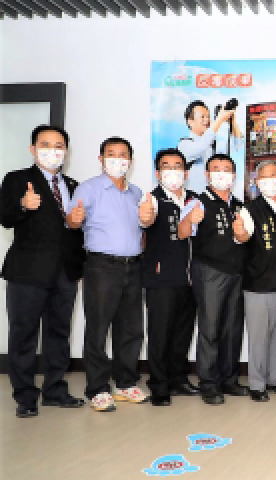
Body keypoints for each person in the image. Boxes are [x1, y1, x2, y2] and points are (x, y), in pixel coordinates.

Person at [1, 125, 86, 418]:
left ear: (66, 151)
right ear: (33, 149)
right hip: (27, 272)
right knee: (23, 334)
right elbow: (5, 217)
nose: (53, 151)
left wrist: (77, 235)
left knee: (59, 333)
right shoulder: (17, 179)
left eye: (59, 146)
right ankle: (25, 396)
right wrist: (23, 205)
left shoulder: (73, 185)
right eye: (46, 145)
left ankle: (55, 390)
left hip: (64, 272)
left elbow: (75, 232)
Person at [66, 136, 154, 412]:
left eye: (123, 154)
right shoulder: (89, 188)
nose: (117, 159)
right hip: (102, 266)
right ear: (101, 159)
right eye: (111, 154)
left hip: (133, 265)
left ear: (130, 160)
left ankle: (126, 383)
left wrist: (148, 219)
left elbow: (143, 227)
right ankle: (97, 388)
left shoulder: (137, 193)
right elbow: (72, 220)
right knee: (98, 327)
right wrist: (74, 219)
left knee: (131, 328)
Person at [178, 153, 248, 406]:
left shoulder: (239, 205)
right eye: (216, 169)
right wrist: (190, 219)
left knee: (232, 328)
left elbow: (244, 238)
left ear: (234, 175)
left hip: (236, 272)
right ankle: (208, 383)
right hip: (209, 271)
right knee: (210, 329)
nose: (221, 174)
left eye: (226, 169)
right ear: (207, 175)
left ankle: (229, 380)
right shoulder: (197, 202)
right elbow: (182, 232)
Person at [235, 160, 276, 403]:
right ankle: (257, 384)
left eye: (274, 176)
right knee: (259, 338)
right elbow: (242, 236)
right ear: (257, 182)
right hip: (259, 285)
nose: (269, 181)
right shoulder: (250, 210)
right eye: (263, 177)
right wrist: (239, 233)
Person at [142, 149, 200, 407]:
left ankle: (178, 379)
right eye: (167, 166)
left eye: (178, 166)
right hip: (161, 277)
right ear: (158, 173)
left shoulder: (194, 199)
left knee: (182, 333)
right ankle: (159, 385)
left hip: (189, 279)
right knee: (160, 334)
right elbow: (145, 223)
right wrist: (145, 216)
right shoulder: (152, 200)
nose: (173, 171)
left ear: (186, 173)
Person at [178, 100, 242, 192]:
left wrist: (232, 121)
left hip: (213, 197)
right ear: (190, 121)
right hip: (194, 198)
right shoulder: (184, 144)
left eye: (208, 117)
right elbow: (201, 146)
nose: (207, 120)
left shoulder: (213, 145)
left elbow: (238, 144)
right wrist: (219, 120)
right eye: (202, 117)